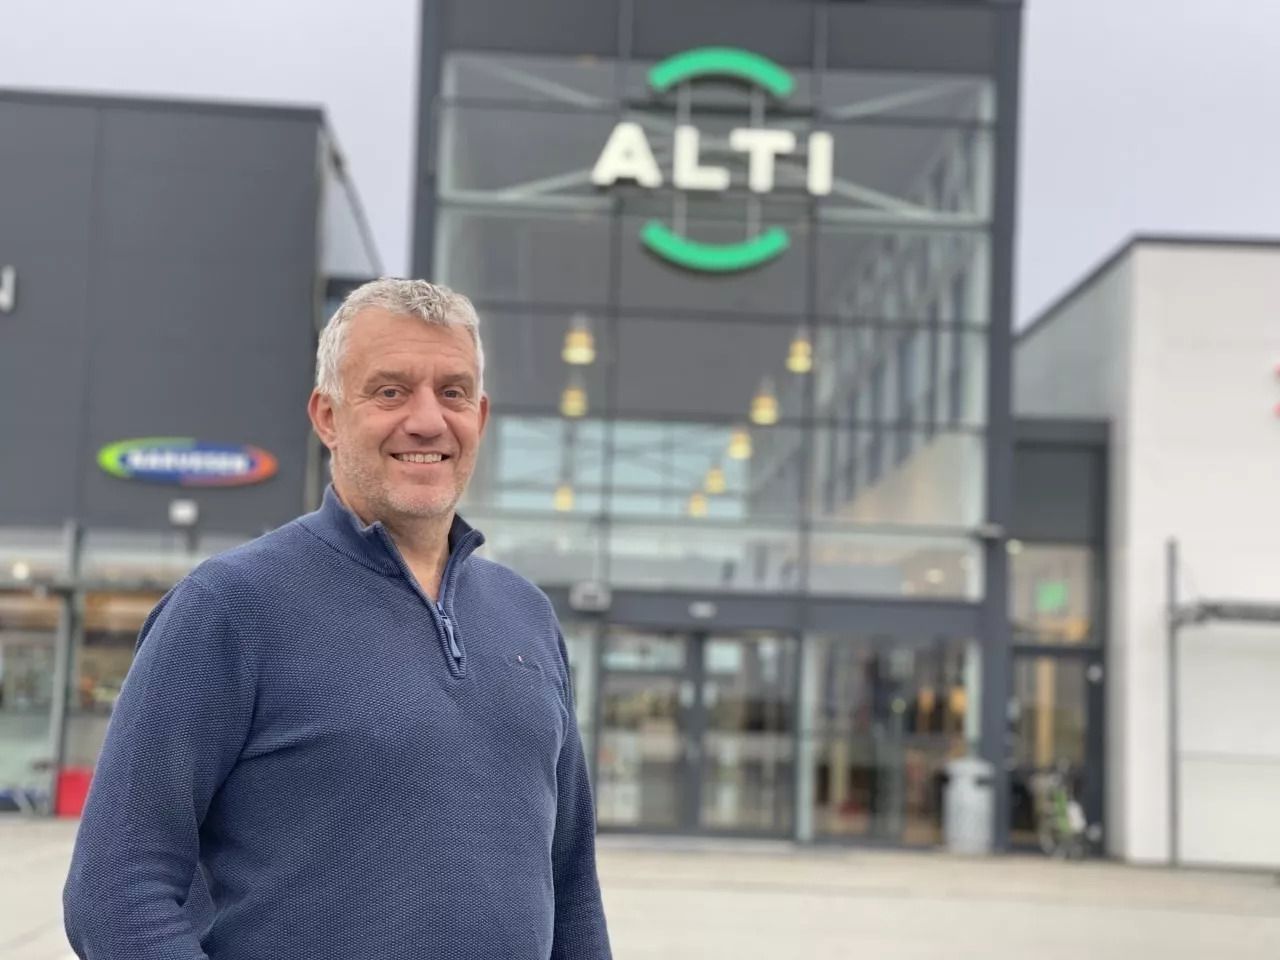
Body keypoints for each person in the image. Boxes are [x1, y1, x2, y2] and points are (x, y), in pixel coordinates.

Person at [63, 279, 612, 960]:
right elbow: (115, 893)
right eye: (390, 392)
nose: (427, 421)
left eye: (453, 392)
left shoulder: (526, 616)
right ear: (327, 416)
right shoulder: (231, 607)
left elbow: (573, 888)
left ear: (480, 415)